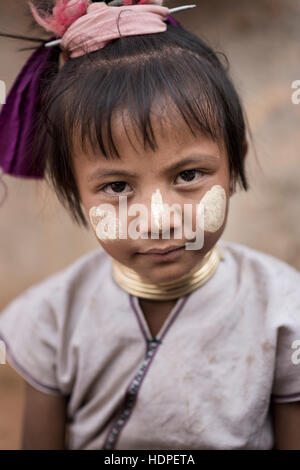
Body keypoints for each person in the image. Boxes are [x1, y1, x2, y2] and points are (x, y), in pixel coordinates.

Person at [0, 0, 299, 451]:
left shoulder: (283, 311)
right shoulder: (51, 320)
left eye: (188, 176)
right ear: (71, 186)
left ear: (233, 164)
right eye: (117, 186)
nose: (158, 220)